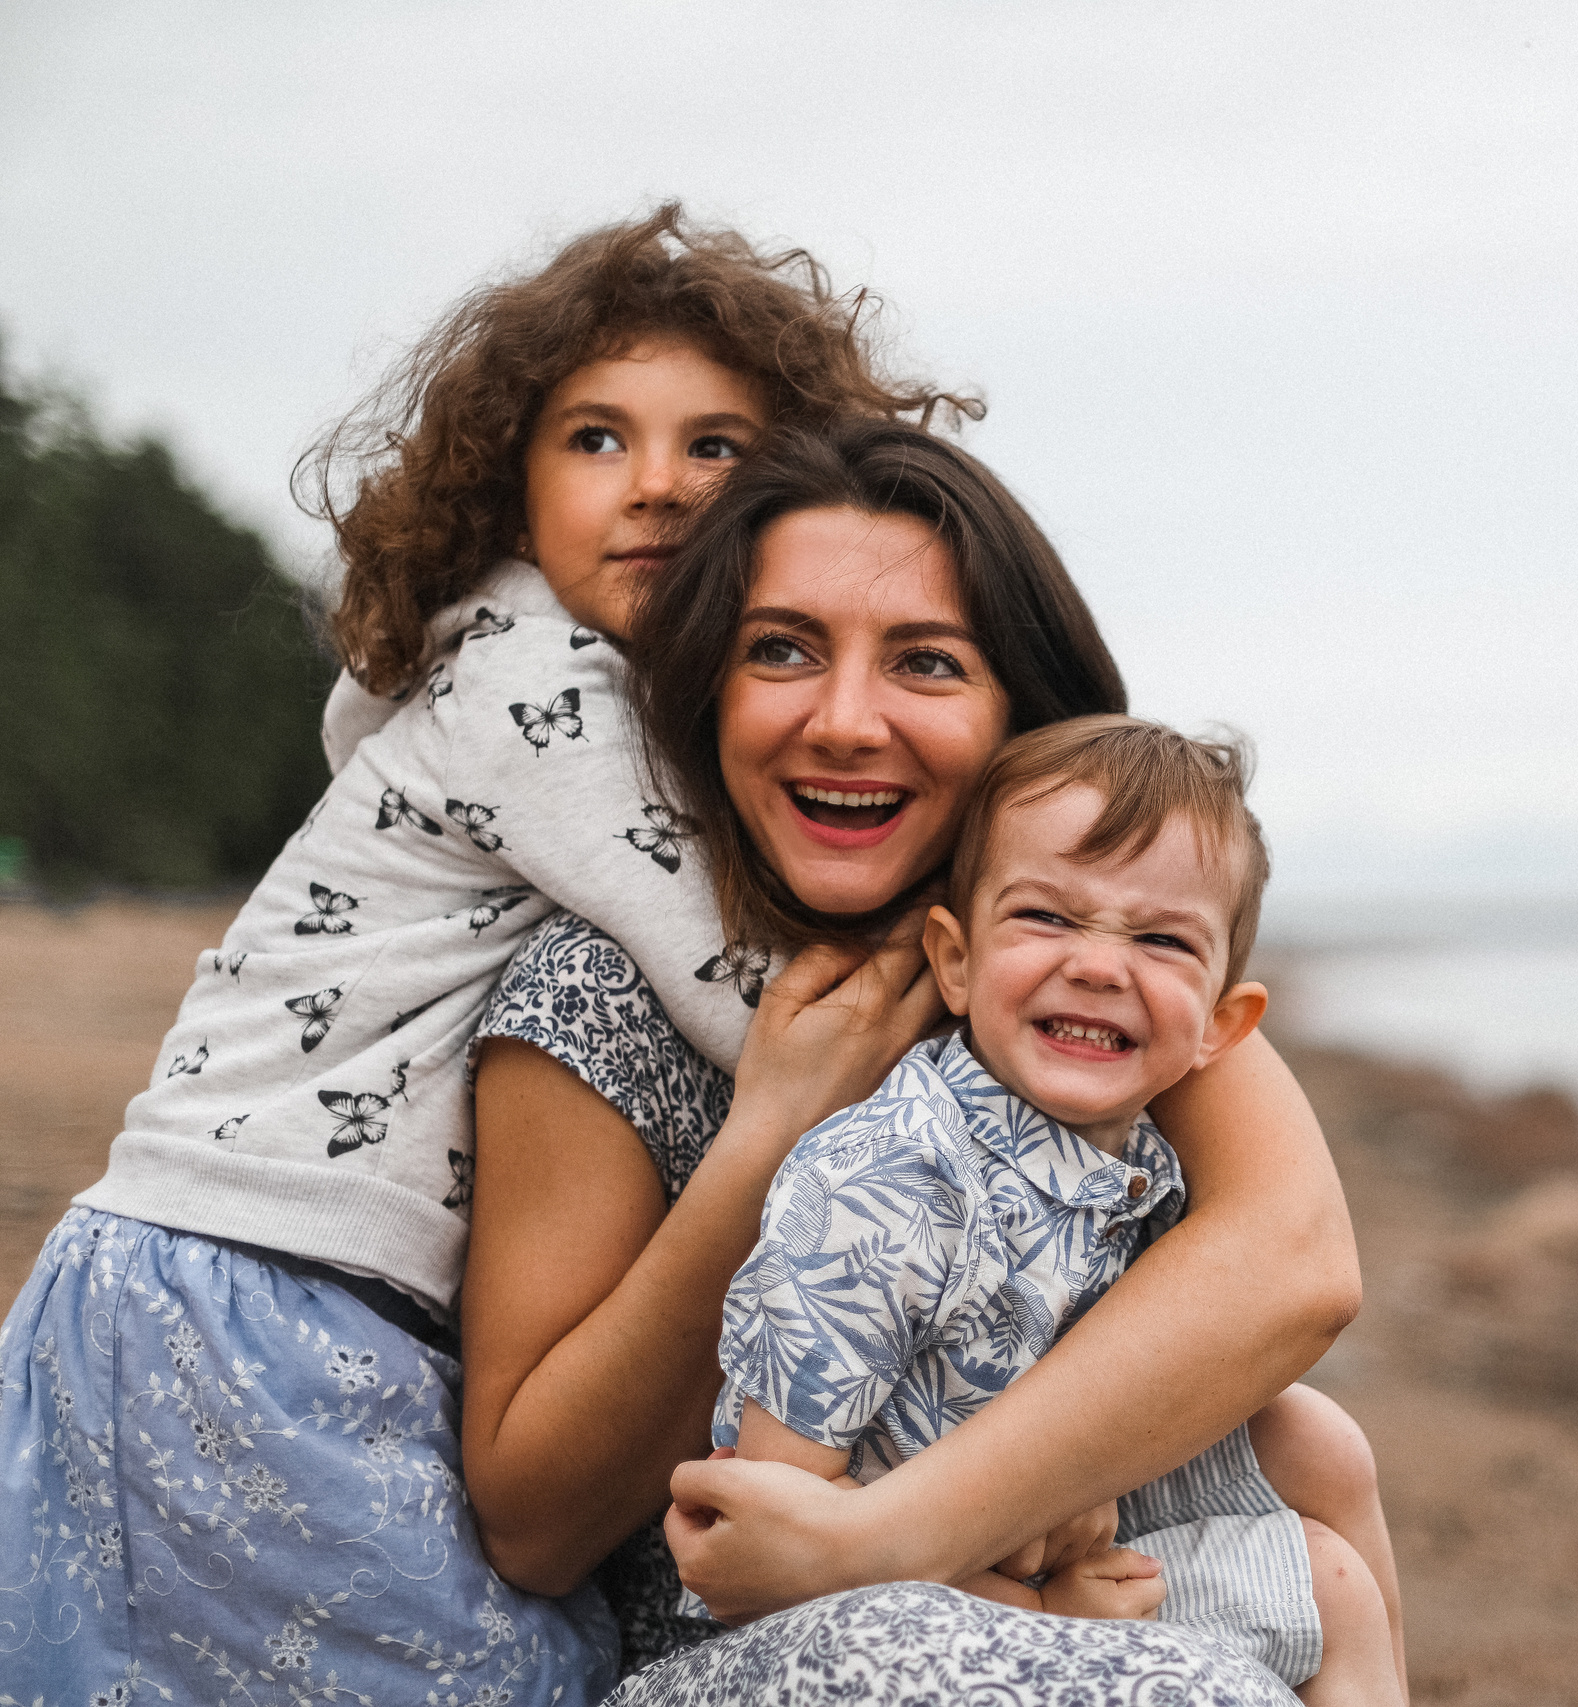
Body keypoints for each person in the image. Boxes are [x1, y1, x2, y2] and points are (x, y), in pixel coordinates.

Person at [0, 206, 939, 1706]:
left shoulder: (503, 681)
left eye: (715, 446)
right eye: (594, 440)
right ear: (509, 484)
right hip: (250, 1286)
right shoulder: (549, 685)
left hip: (225, 1280)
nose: (655, 487)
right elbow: (738, 987)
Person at [462, 418, 1393, 1704]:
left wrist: (895, 1539)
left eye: (927, 662)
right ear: (708, 690)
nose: (846, 721)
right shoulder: (604, 983)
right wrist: (771, 1134)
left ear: (1015, 709)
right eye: (780, 650)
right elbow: (531, 1521)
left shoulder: (1077, 971)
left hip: (1005, 1573)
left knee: (1318, 1520)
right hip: (740, 1642)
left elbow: (1293, 1266)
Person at [710, 714, 1402, 1707]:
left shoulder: (1147, 1173)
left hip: (1049, 1555)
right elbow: (769, 1531)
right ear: (954, 961)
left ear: (1221, 1025)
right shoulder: (883, 1185)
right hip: (848, 1621)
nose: (1100, 965)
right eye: (1046, 918)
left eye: (1161, 939)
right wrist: (1032, 1616)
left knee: (1332, 1557)